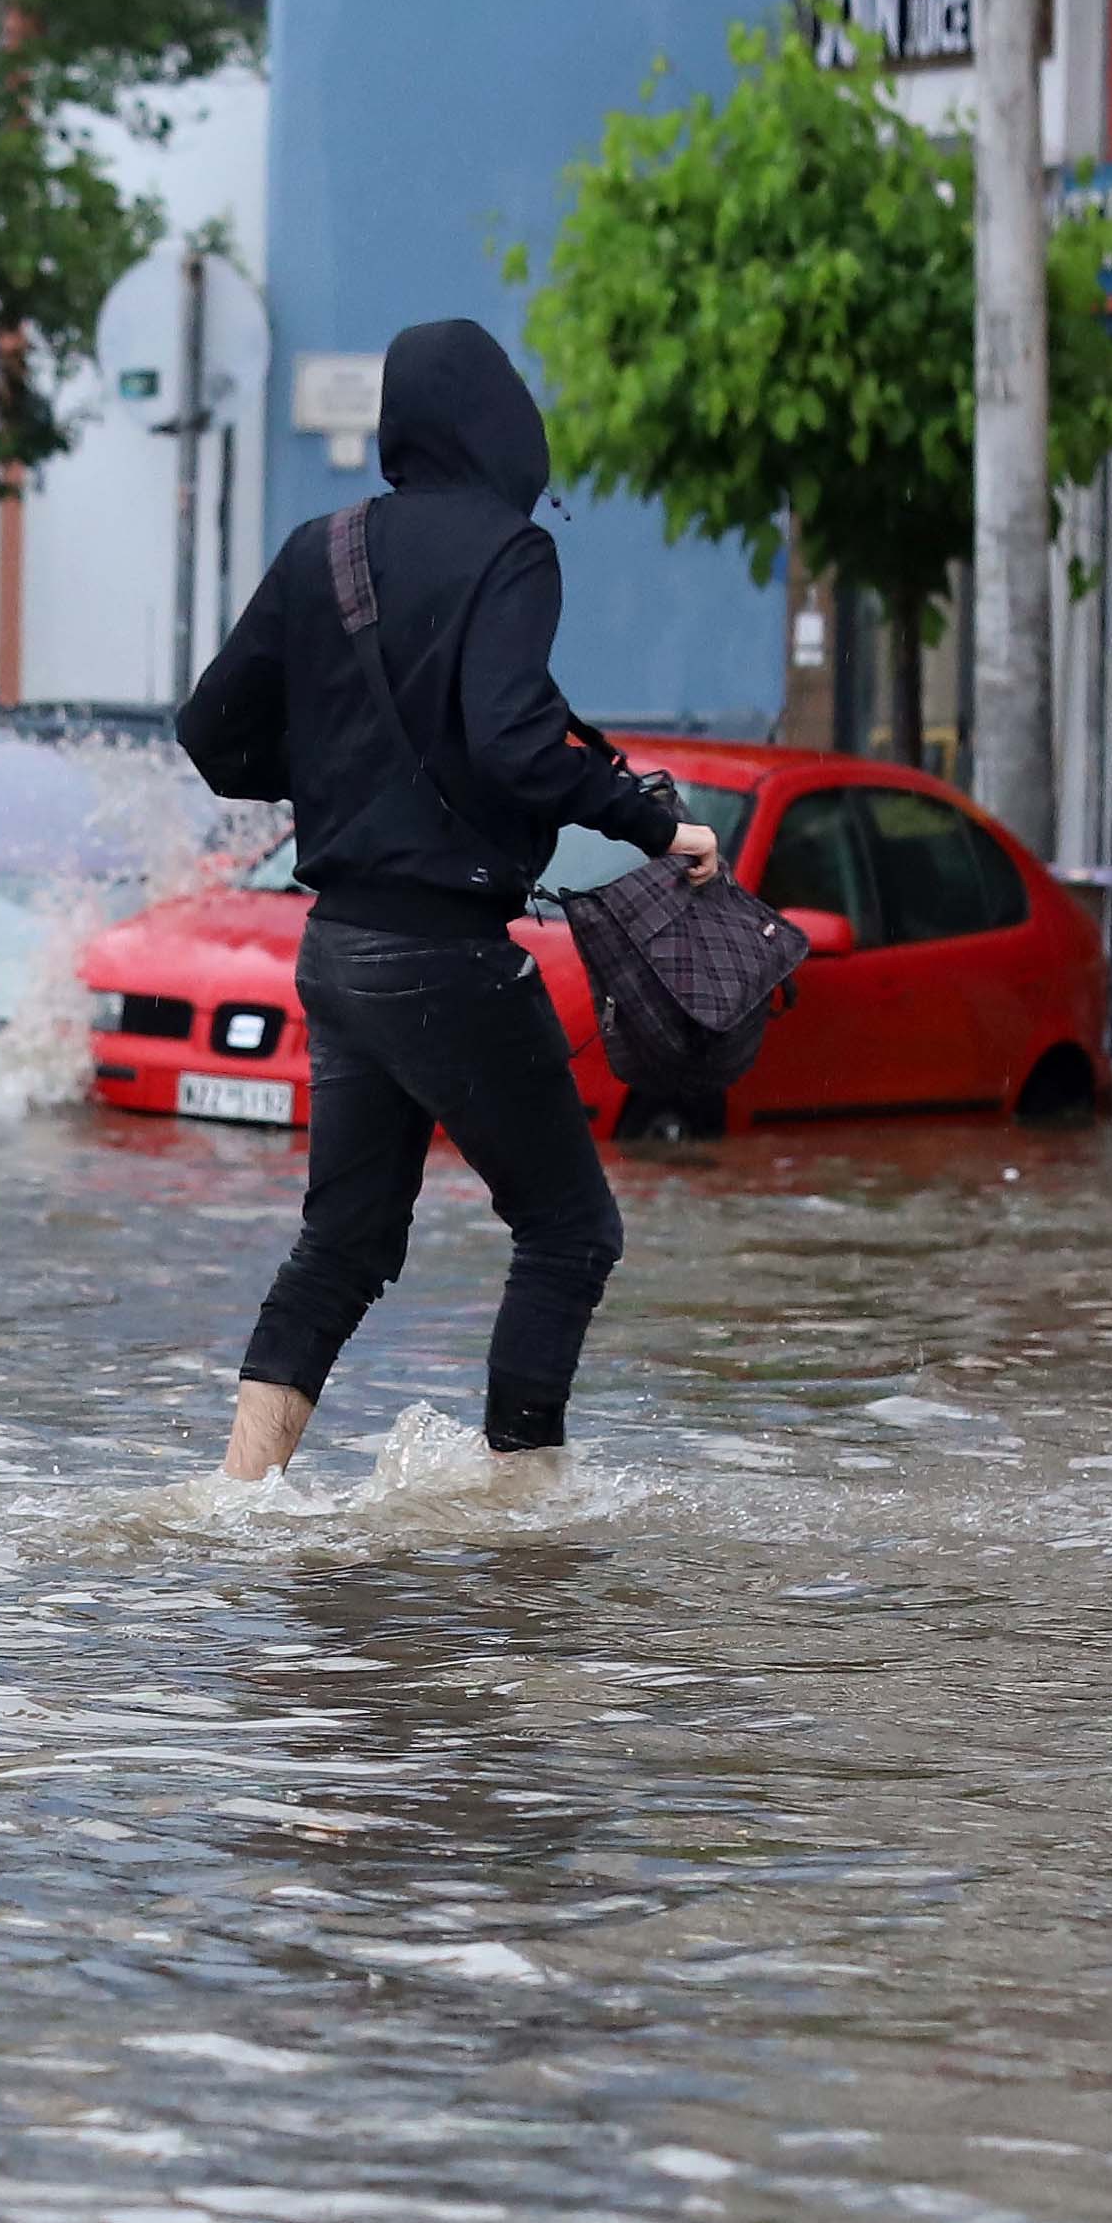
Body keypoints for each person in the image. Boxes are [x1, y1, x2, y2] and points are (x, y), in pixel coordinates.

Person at [173, 319, 715, 1485]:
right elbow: (520, 745)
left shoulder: (319, 547)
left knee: (346, 1242)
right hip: (443, 953)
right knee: (572, 1230)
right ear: (498, 417)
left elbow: (210, 735)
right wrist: (661, 825)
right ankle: (525, 1508)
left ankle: (233, 1501)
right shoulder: (510, 552)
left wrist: (332, 772)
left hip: (337, 949)